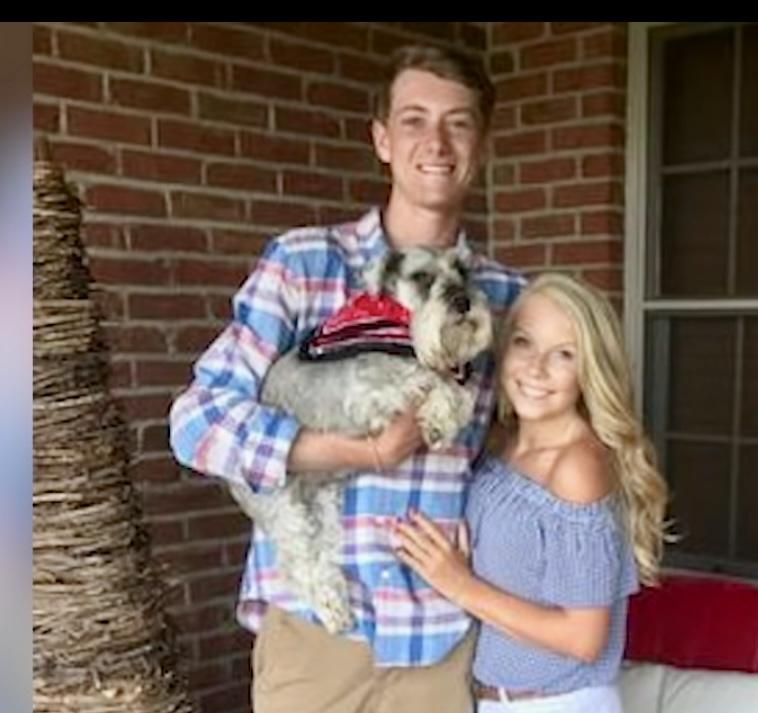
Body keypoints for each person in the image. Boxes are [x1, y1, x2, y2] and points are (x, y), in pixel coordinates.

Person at [168, 44, 523, 713]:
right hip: (315, 636)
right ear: (382, 139)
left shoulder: (504, 298)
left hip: (442, 638)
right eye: (414, 120)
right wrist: (356, 452)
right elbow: (196, 421)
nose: (436, 143)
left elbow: (521, 458)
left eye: (458, 123)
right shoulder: (304, 264)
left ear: (482, 146)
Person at [394, 273, 669, 713]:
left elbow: (583, 638)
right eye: (524, 343)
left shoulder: (577, 467)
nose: (537, 368)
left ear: (591, 368)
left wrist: (459, 583)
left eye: (564, 354)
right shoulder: (501, 443)